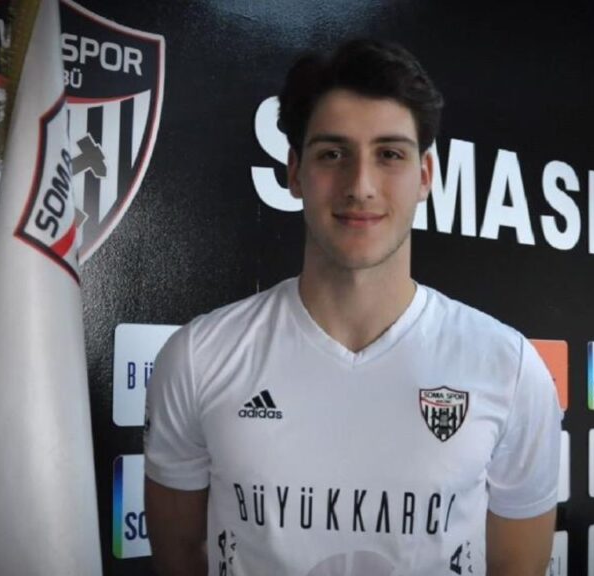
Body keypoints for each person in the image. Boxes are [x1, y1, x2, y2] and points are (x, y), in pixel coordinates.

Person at [144, 38, 562, 576]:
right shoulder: (198, 357)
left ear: (425, 176)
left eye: (390, 154)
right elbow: (180, 555)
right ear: (294, 172)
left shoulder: (509, 368)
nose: (360, 185)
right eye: (332, 154)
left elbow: (516, 567)